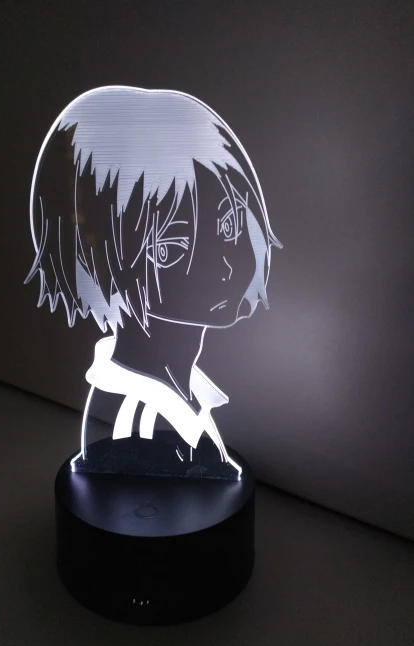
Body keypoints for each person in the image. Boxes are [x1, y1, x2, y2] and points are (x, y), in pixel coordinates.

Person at [26, 86, 281, 479]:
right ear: (94, 263)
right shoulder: (135, 418)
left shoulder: (181, 387)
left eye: (229, 223)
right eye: (168, 249)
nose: (223, 265)